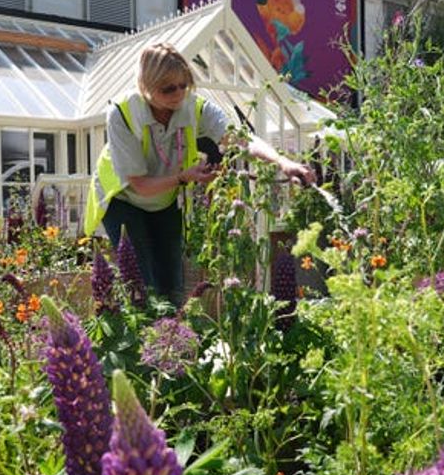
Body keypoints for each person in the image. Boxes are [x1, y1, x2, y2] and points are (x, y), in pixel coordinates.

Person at [84, 42, 316, 305]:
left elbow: (241, 139)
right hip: (124, 199)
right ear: (146, 87)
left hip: (164, 198)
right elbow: (139, 185)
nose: (179, 93)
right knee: (141, 282)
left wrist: (282, 162)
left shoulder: (194, 107)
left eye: (184, 84)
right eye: (168, 88)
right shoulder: (121, 114)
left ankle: (173, 340)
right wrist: (184, 177)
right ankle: (145, 342)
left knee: (172, 282)